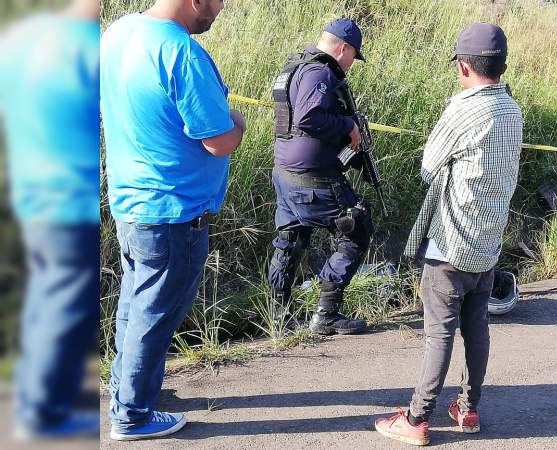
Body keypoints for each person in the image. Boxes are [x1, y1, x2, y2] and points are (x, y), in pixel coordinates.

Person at [100, 0, 245, 441]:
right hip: (172, 211)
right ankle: (133, 416)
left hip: (131, 201)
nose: (222, 8)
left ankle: (125, 393)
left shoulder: (118, 33)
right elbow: (220, 140)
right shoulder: (181, 52)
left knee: (135, 304)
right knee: (155, 313)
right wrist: (238, 120)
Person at [374, 23, 523, 446]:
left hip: (451, 243)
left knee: (438, 333)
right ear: (502, 64)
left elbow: (428, 166)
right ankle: (468, 409)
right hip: (488, 243)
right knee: (477, 328)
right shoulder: (512, 109)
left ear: (463, 66)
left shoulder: (462, 109)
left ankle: (418, 419)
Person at [0, 0, 101, 440]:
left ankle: (35, 394)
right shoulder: (88, 47)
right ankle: (42, 414)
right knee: (66, 306)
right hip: (72, 199)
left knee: (45, 295)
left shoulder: (20, 39)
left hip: (32, 194)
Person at [268, 18, 372, 336]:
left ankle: (278, 319)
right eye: (354, 55)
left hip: (286, 173)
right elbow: (309, 117)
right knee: (356, 230)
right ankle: (326, 314)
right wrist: (347, 127)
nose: (352, 64)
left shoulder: (297, 66)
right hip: (312, 178)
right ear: (343, 48)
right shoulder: (320, 72)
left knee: (290, 240)